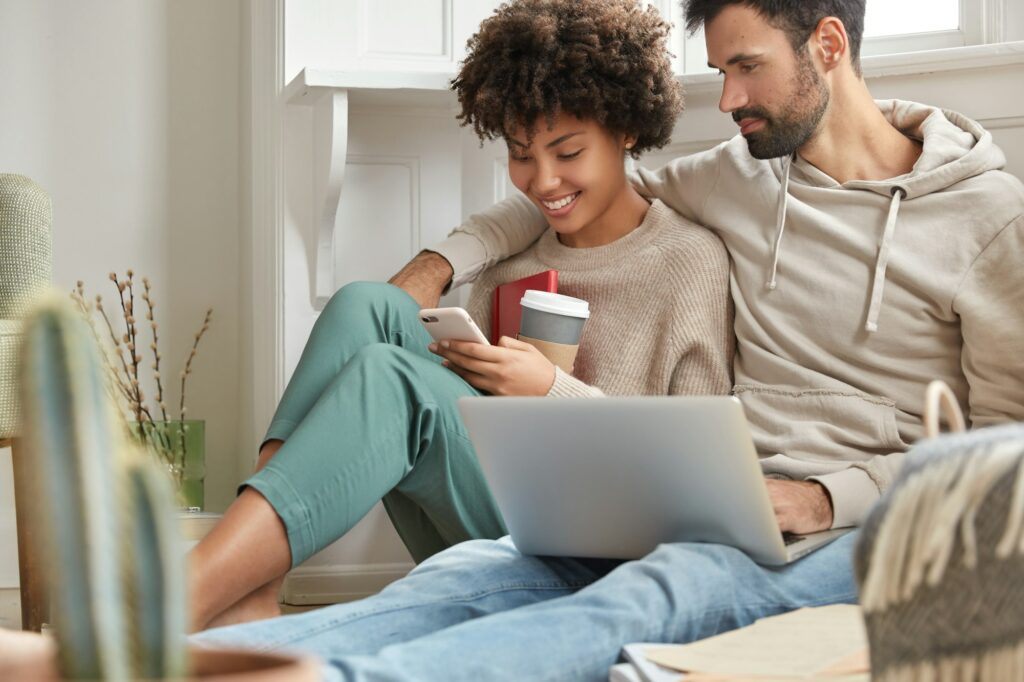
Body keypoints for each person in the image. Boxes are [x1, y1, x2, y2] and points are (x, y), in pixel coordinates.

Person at [189, 0, 1024, 679]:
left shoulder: (988, 221)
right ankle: (186, 655)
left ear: (829, 45)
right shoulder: (743, 172)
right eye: (721, 71)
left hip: (859, 519)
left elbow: (1001, 456)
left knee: (667, 588)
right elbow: (564, 194)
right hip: (723, 494)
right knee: (478, 574)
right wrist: (438, 262)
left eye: (746, 65)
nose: (728, 99)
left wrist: (826, 495)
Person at [188, 0, 734, 633]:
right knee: (365, 304)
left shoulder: (689, 260)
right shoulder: (510, 262)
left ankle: (174, 605)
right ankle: (253, 580)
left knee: (392, 378)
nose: (543, 179)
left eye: (568, 151)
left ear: (627, 131)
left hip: (605, 563)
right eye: (522, 154)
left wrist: (548, 389)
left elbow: (695, 477)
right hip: (496, 528)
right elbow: (468, 438)